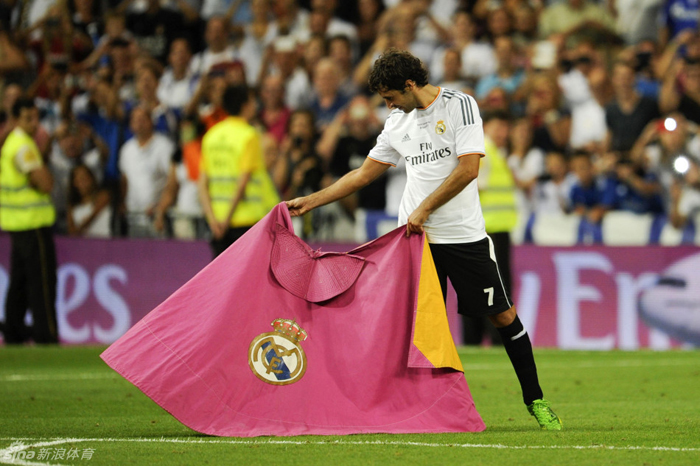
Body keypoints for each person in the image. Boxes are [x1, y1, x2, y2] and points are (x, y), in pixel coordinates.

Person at [285, 49, 563, 430]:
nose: (388, 105)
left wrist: (426, 208)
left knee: (502, 314)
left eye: (391, 96)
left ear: (410, 84)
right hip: (415, 242)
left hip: (463, 237)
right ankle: (403, 409)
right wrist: (310, 202)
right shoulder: (397, 121)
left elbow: (468, 170)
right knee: (411, 327)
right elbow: (364, 174)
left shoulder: (460, 106)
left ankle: (536, 400)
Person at [0, 98, 58, 344]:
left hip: (16, 223)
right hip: (32, 223)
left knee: (20, 282)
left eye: (36, 117)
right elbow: (46, 183)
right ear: (14, 120)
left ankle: (12, 332)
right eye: (28, 118)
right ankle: (46, 335)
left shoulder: (12, 143)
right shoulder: (23, 146)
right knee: (42, 282)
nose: (35, 124)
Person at [198, 84, 280, 258]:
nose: (255, 105)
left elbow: (202, 184)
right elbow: (243, 182)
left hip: (217, 222)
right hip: (246, 221)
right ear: (245, 106)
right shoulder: (249, 135)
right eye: (252, 101)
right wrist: (226, 221)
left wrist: (213, 221)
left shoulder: (211, 135)